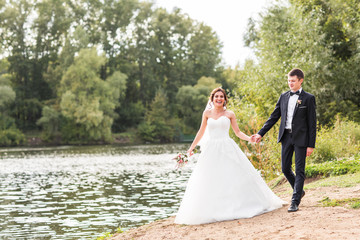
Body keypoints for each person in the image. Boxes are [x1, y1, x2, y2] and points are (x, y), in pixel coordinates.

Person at [174, 87, 285, 225]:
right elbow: (201, 132)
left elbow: (237, 132)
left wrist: (249, 139)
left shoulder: (230, 114)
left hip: (227, 147)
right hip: (211, 149)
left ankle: (239, 206)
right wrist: (191, 148)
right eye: (216, 97)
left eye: (221, 96)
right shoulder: (207, 113)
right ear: (212, 99)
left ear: (225, 99)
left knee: (232, 175)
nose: (219, 99)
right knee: (210, 178)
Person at [251, 68, 316, 212]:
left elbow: (312, 123)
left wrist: (311, 145)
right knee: (285, 168)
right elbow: (274, 117)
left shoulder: (308, 98)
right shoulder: (284, 96)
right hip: (286, 136)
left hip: (301, 138)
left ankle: (295, 201)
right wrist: (261, 133)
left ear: (300, 80)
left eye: (293, 81)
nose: (290, 83)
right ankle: (299, 191)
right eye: (289, 81)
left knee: (300, 170)